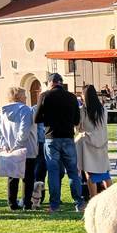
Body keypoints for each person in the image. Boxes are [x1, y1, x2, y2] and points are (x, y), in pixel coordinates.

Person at [34, 73, 85, 213]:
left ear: (51, 83)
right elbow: (76, 120)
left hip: (51, 137)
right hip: (68, 137)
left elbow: (36, 118)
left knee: (53, 172)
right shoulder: (71, 97)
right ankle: (79, 203)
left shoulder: (45, 96)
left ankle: (54, 205)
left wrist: (48, 117)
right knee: (73, 172)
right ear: (61, 83)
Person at [0, 86, 37, 210]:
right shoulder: (25, 110)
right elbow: (24, 130)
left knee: (12, 177)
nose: (26, 98)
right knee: (28, 177)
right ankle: (26, 203)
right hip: (27, 148)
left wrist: (6, 145)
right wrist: (16, 145)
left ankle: (12, 203)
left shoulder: (2, 112)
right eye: (24, 95)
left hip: (10, 149)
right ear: (19, 97)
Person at [78, 85, 112, 197]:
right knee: (105, 175)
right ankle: (110, 197)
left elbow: (78, 126)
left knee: (90, 174)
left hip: (88, 144)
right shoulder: (102, 109)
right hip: (102, 143)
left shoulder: (83, 110)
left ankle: (93, 198)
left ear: (85, 96)